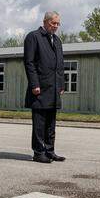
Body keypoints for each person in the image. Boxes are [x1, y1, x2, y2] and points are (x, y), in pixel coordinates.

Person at [23, 11, 66, 163]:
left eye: (57, 24)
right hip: (40, 88)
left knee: (51, 123)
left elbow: (60, 65)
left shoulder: (58, 41)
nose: (55, 26)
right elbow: (29, 63)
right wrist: (34, 84)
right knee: (40, 123)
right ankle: (38, 152)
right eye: (53, 23)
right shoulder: (34, 37)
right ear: (45, 22)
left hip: (54, 88)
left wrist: (61, 84)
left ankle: (49, 150)